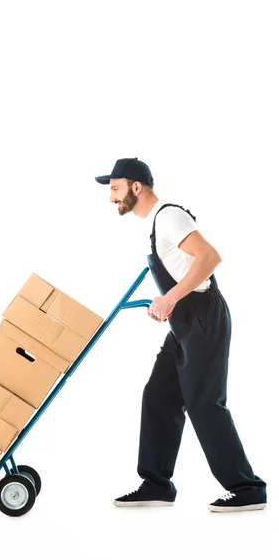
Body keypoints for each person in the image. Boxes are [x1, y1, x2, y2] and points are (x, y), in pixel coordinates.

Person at [95, 157, 267, 512]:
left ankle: (248, 488)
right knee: (159, 395)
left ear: (136, 187)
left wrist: (170, 297)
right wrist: (168, 304)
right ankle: (157, 484)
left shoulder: (169, 216)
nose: (111, 198)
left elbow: (209, 257)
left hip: (204, 319)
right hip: (185, 323)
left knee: (204, 402)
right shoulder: (155, 225)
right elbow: (184, 269)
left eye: (115, 188)